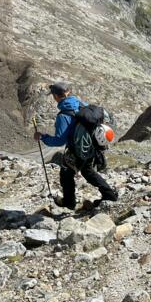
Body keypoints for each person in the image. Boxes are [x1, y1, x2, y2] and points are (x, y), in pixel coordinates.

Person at [34, 82, 118, 210]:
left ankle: (69, 202)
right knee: (88, 171)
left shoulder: (63, 115)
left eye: (53, 95)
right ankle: (109, 194)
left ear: (56, 96)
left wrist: (42, 137)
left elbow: (59, 141)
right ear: (68, 92)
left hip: (77, 150)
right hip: (91, 145)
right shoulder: (80, 104)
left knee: (66, 174)